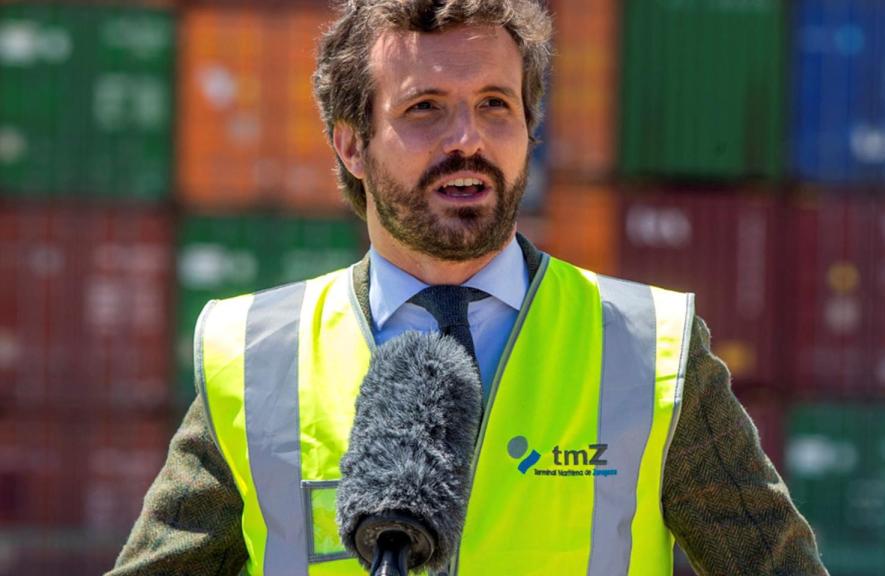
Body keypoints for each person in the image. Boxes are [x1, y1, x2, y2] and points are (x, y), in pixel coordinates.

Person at [109, 1, 829, 574]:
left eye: (495, 106)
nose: (469, 139)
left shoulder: (653, 351)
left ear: (528, 129)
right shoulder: (254, 360)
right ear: (351, 143)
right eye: (426, 108)